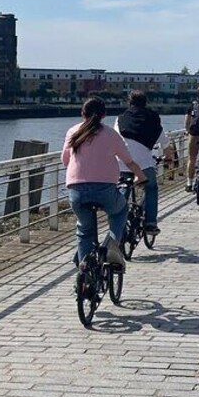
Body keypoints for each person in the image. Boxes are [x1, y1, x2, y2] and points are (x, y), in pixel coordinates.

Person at [62, 97, 146, 269]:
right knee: (120, 210)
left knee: (85, 230)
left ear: (82, 113)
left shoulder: (73, 132)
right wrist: (141, 176)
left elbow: (65, 161)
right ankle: (112, 244)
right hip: (104, 189)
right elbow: (128, 161)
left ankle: (85, 272)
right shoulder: (111, 134)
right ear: (104, 115)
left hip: (76, 190)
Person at [115, 90, 174, 236]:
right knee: (151, 188)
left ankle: (118, 221)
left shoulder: (120, 118)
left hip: (122, 162)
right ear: (145, 102)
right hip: (144, 164)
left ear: (129, 102)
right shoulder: (153, 118)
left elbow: (115, 140)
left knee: (124, 187)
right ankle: (150, 224)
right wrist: (168, 158)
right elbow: (165, 143)